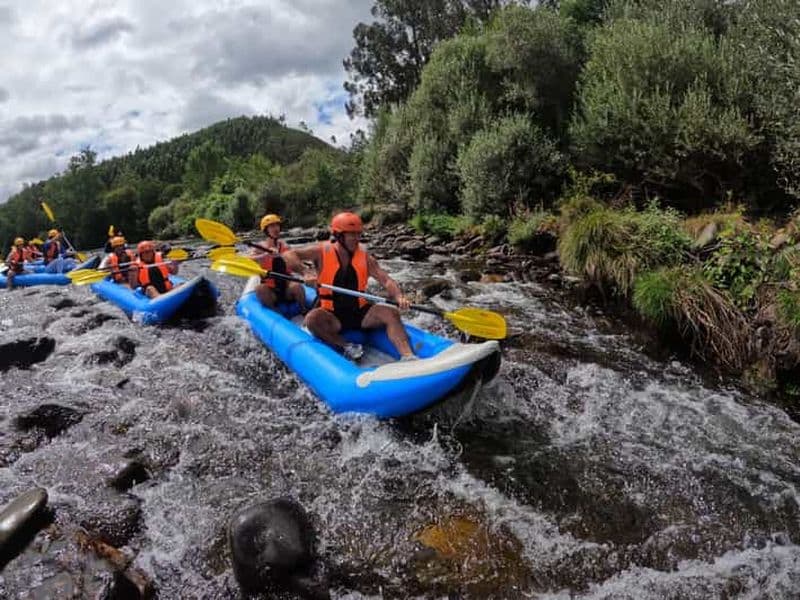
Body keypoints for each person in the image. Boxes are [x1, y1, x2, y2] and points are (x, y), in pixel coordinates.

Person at [286, 211, 415, 362]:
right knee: (312, 319)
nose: (356, 238)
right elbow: (289, 254)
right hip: (332, 314)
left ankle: (408, 356)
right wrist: (305, 272)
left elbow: (386, 280)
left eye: (358, 234)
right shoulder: (321, 251)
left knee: (391, 313)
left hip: (360, 312)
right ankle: (346, 346)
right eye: (351, 234)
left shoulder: (365, 257)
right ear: (339, 235)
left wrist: (399, 296)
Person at [250, 214, 306, 312]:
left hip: (286, 288)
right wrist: (265, 255)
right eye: (272, 226)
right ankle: (275, 314)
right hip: (271, 290)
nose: (276, 228)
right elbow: (249, 259)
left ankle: (303, 310)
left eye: (277, 225)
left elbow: (296, 263)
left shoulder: (285, 246)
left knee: (297, 286)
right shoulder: (259, 247)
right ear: (266, 230)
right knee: (260, 289)